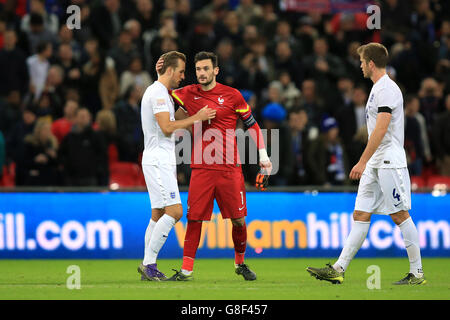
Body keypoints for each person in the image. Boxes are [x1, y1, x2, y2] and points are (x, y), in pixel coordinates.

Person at [307, 43, 426, 285]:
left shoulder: (387, 89)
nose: (360, 65)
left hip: (389, 161)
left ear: (371, 63)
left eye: (362, 61)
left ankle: (417, 273)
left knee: (400, 215)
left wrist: (361, 161)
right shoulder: (377, 88)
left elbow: (382, 128)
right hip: (376, 161)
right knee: (360, 214)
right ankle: (339, 268)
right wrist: (367, 161)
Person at [160, 51, 272, 281]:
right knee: (194, 219)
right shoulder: (187, 93)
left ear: (215, 71)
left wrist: (264, 156)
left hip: (230, 169)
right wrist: (159, 71)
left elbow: (252, 125)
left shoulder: (232, 96)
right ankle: (186, 270)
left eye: (205, 69)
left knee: (239, 220)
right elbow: (160, 91)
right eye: (198, 69)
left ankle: (240, 263)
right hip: (201, 168)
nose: (201, 73)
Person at [137, 51, 216, 281]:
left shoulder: (159, 92)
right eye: (181, 71)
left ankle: (147, 265)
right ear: (170, 70)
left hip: (157, 158)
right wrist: (197, 117)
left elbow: (171, 120)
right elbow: (167, 127)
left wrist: (192, 109)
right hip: (159, 160)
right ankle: (149, 265)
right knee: (175, 212)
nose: (183, 76)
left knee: (158, 213)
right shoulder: (159, 94)